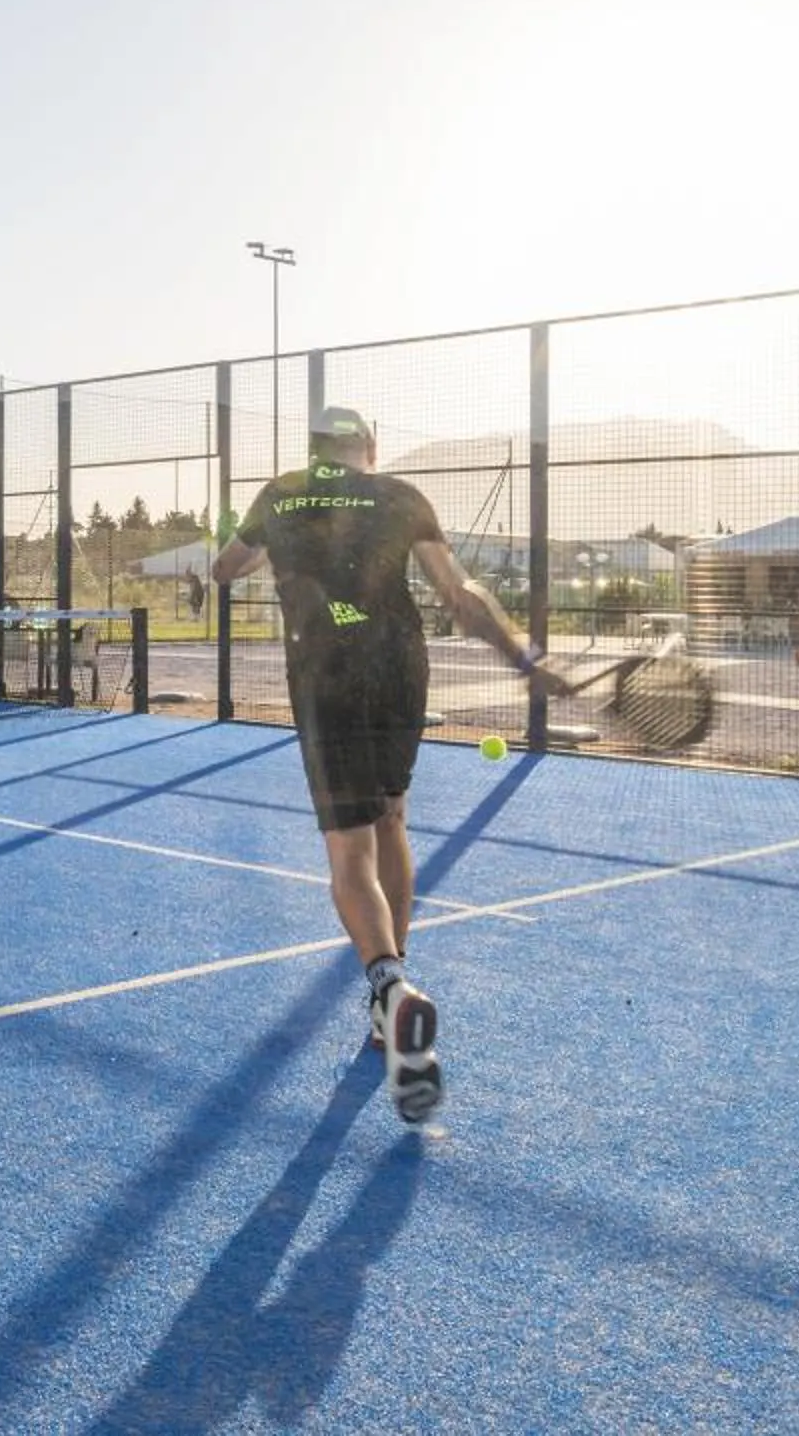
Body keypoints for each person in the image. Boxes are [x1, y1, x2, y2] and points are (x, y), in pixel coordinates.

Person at [210, 405, 572, 1126]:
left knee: (349, 850)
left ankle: (389, 984)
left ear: (315, 452)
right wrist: (522, 658)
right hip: (401, 666)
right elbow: (460, 596)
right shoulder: (401, 496)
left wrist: (243, 547)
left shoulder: (279, 493)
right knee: (391, 818)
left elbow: (224, 569)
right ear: (368, 451)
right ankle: (388, 1006)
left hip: (325, 671)